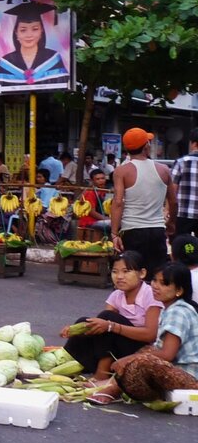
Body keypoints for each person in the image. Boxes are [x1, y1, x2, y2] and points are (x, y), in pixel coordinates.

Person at [86, 263, 198, 405]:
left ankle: (113, 389)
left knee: (143, 362)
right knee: (147, 350)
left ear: (179, 290)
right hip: (178, 369)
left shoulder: (178, 311)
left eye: (163, 283)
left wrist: (129, 359)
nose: (156, 286)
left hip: (191, 378)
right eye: (155, 280)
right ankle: (113, 385)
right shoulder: (170, 307)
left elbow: (168, 354)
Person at [59, 250, 162, 379]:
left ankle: (102, 374)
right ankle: (69, 363)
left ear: (142, 273)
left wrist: (112, 326)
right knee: (86, 321)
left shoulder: (150, 295)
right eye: (115, 271)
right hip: (117, 348)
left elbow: (150, 335)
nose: (119, 277)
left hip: (140, 350)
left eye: (126, 271)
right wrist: (75, 330)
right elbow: (100, 326)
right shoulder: (116, 295)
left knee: (108, 319)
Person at [111, 127, 176, 275]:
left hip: (132, 230)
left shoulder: (121, 171)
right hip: (157, 230)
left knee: (133, 275)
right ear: (146, 146)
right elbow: (173, 201)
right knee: (157, 275)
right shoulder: (163, 169)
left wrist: (114, 233)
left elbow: (118, 202)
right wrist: (171, 222)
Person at [0, 1, 69, 87]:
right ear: (16, 32)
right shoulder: (6, 62)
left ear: (41, 31)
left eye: (35, 29)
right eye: (23, 30)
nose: (29, 35)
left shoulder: (53, 59)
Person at [170, 129, 198, 237]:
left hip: (183, 213)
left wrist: (169, 211)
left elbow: (173, 190)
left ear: (193, 143)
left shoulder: (181, 162)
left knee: (181, 246)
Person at [33, 169, 70, 246]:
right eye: (37, 177)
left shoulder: (46, 189)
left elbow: (44, 206)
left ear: (45, 178)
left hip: (51, 212)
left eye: (40, 177)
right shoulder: (43, 188)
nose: (38, 179)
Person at [78, 168, 111, 235]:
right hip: (90, 222)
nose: (101, 181)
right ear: (92, 181)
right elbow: (91, 212)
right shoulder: (90, 192)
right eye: (98, 179)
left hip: (101, 220)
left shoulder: (103, 191)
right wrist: (107, 218)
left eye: (102, 178)